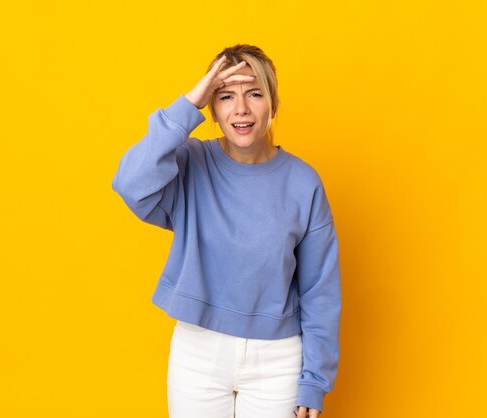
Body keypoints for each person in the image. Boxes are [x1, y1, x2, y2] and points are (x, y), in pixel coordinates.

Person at [111, 44, 342, 418]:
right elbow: (129, 182)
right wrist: (189, 104)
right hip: (197, 353)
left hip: (278, 360)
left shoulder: (303, 183)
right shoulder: (189, 163)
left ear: (273, 103)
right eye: (224, 97)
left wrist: (315, 379)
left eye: (255, 94)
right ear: (212, 110)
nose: (241, 110)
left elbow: (321, 290)